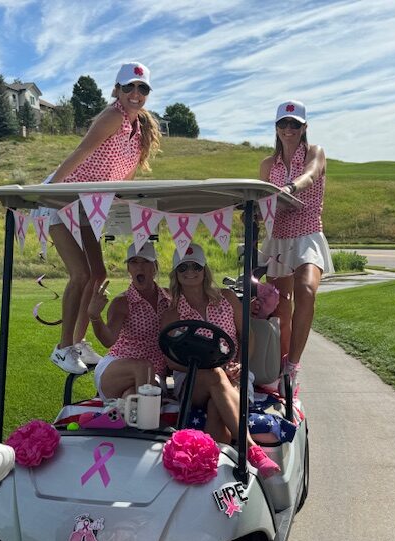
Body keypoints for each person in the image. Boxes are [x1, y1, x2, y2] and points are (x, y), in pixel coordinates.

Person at [44, 62, 161, 375]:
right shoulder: (113, 116)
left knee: (98, 274)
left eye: (142, 88)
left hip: (90, 205)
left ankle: (78, 342)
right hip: (62, 199)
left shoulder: (139, 130)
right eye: (129, 87)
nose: (135, 93)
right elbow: (82, 151)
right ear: (116, 90)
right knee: (81, 274)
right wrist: (49, 191)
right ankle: (63, 348)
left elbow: (125, 179)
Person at [161, 244, 280, 479]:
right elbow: (171, 361)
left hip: (234, 372)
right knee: (214, 375)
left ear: (204, 269)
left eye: (195, 266)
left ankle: (213, 470)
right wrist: (207, 368)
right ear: (176, 273)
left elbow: (247, 336)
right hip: (192, 380)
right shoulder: (172, 313)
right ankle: (252, 450)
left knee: (217, 407)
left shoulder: (226, 298)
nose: (190, 272)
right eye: (183, 267)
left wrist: (240, 364)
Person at [259, 100, 333, 393]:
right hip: (278, 236)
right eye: (283, 123)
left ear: (304, 127)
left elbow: (311, 174)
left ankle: (293, 366)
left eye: (294, 124)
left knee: (306, 290)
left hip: (307, 233)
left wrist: (289, 189)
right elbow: (261, 202)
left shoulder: (315, 152)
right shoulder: (268, 164)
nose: (288, 129)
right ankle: (278, 367)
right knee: (279, 305)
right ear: (276, 127)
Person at [89, 242, 170, 400]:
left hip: (154, 373)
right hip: (118, 367)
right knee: (143, 367)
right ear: (128, 269)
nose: (139, 267)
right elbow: (108, 340)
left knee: (132, 397)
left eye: (145, 261)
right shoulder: (122, 302)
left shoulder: (169, 298)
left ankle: (128, 412)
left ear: (155, 267)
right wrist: (95, 316)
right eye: (133, 262)